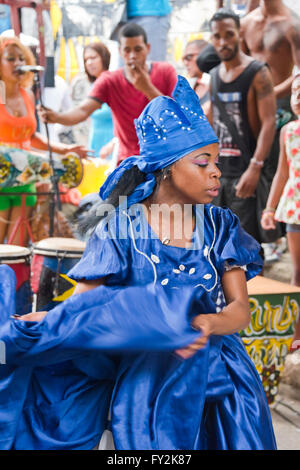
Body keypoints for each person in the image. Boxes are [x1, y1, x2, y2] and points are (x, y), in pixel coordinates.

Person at [0, 76, 276, 450]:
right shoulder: (119, 228)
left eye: (216, 161)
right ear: (166, 168)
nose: (215, 172)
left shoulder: (220, 225)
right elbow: (86, 307)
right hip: (143, 375)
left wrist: (208, 322)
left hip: (219, 376)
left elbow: (240, 310)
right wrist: (51, 321)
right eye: (202, 162)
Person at [39, 23, 178, 165]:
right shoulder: (110, 80)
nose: (132, 56)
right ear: (120, 51)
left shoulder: (165, 71)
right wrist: (57, 117)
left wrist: (147, 88)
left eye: (138, 49)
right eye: (127, 50)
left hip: (165, 158)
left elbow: (176, 116)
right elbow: (83, 110)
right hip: (129, 161)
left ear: (147, 48)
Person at [0, 36, 88, 245]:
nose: (18, 63)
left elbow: (30, 136)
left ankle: (16, 279)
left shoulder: (27, 95)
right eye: (10, 59)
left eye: (21, 58)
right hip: (2, 179)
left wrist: (64, 149)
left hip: (26, 181)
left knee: (17, 250)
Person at [207, 8, 277, 245]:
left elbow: (269, 121)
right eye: (217, 36)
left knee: (247, 246)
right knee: (219, 243)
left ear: (240, 33)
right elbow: (210, 120)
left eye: (229, 34)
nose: (223, 41)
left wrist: (255, 167)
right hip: (219, 175)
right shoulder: (214, 75)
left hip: (246, 172)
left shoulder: (257, 72)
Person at [261, 74, 300, 348]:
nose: (298, 97)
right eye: (296, 91)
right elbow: (282, 172)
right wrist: (270, 207)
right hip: (295, 209)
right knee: (298, 272)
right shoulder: (289, 131)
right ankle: (296, 335)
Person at [82, 41, 115, 159]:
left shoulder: (113, 83)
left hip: (111, 148)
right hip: (95, 146)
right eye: (86, 60)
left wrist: (114, 144)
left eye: (93, 57)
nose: (89, 63)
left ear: (104, 58)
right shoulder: (92, 86)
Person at [182, 39, 210, 113]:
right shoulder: (191, 88)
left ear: (204, 55)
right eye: (183, 59)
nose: (185, 63)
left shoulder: (217, 83)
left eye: (189, 57)